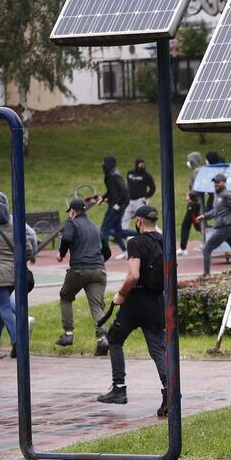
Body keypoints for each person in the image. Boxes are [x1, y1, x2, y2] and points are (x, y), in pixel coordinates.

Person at [97, 205, 170, 418]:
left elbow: (134, 275)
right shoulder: (164, 240)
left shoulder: (135, 242)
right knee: (157, 348)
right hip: (157, 301)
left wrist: (120, 294)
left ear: (138, 221)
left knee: (114, 339)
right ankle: (170, 392)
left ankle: (119, 389)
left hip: (136, 301)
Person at [0, 191, 38, 353]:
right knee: (4, 306)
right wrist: (26, 257)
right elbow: (28, 247)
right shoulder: (16, 226)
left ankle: (17, 340)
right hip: (16, 273)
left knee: (5, 307)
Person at [56, 199, 111, 354]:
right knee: (96, 305)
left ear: (72, 211)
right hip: (99, 271)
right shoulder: (95, 226)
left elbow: (66, 238)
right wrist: (97, 263)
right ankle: (102, 339)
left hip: (79, 269)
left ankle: (68, 334)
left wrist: (61, 254)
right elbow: (107, 251)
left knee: (66, 296)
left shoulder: (71, 223)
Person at [99, 156, 130, 258]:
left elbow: (125, 191)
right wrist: (103, 198)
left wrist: (118, 204)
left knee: (104, 230)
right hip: (114, 205)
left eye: (104, 163)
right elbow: (111, 191)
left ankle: (103, 252)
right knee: (118, 231)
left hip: (116, 207)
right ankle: (126, 250)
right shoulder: (110, 175)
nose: (102, 165)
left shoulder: (115, 176)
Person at [122, 157, 156, 237]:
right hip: (129, 201)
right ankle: (122, 235)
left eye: (143, 164)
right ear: (136, 164)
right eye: (141, 164)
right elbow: (128, 185)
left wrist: (146, 196)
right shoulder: (130, 173)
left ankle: (154, 234)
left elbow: (152, 188)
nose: (142, 166)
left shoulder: (146, 175)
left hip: (140, 201)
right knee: (124, 219)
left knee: (144, 219)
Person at [178, 191, 202, 257]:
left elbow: (192, 215)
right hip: (194, 220)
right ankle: (183, 248)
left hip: (191, 221)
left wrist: (195, 221)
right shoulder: (195, 203)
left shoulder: (191, 205)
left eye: (188, 196)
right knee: (200, 229)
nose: (186, 198)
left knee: (199, 229)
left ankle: (183, 249)